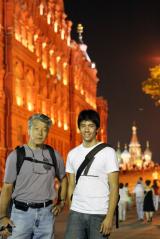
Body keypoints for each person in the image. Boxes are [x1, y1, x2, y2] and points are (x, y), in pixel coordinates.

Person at [0, 113, 67, 239]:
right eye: (36, 129)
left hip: (46, 215)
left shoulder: (54, 155)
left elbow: (63, 179)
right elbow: (7, 187)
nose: (40, 133)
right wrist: (2, 217)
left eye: (44, 130)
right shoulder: (16, 156)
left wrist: (61, 202)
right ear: (29, 130)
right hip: (20, 214)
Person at [65, 109, 119, 239]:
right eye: (83, 126)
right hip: (76, 214)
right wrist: (71, 209)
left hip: (99, 214)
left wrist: (109, 217)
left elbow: (114, 187)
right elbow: (71, 184)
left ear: (97, 129)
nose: (86, 130)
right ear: (79, 128)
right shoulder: (72, 154)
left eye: (90, 126)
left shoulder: (108, 152)